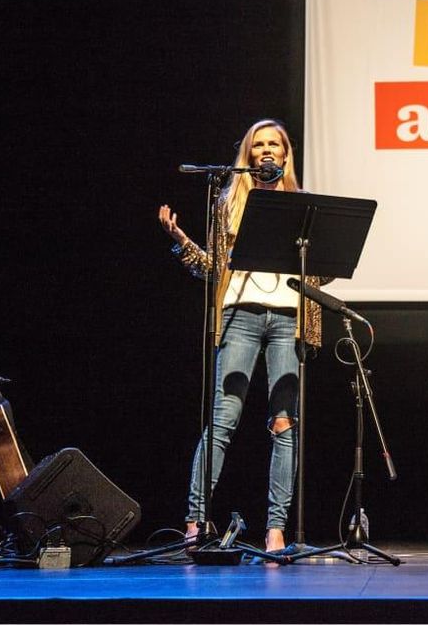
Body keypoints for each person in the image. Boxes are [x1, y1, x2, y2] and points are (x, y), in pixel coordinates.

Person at [158, 119, 326, 553]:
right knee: (223, 419)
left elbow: (321, 274)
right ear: (248, 155)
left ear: (286, 154)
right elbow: (213, 268)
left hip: (289, 319)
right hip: (240, 315)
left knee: (284, 423)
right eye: (258, 145)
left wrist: (322, 254)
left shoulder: (302, 204)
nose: (266, 151)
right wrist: (180, 240)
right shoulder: (229, 201)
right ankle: (196, 521)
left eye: (274, 145)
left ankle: (276, 530)